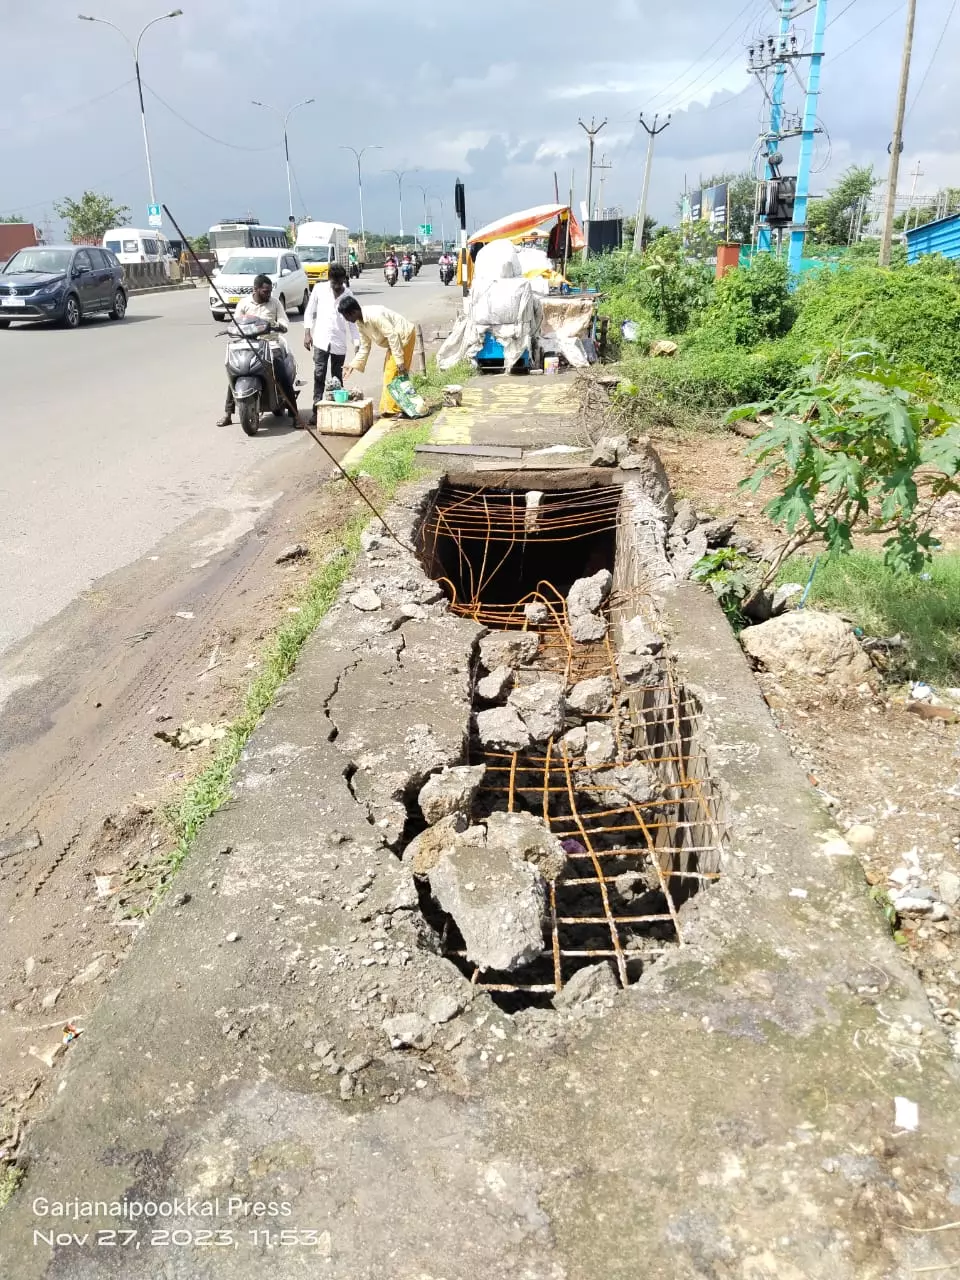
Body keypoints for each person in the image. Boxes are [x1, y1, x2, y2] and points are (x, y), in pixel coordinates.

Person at [216, 274, 298, 427]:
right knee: (235, 372)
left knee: (282, 376)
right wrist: (231, 329)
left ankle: (295, 415)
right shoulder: (244, 304)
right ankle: (228, 413)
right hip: (248, 345)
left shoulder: (275, 303)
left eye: (269, 291)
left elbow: (283, 320)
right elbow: (235, 322)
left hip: (270, 344)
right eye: (265, 291)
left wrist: (280, 325)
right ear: (255, 289)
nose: (268, 294)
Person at [339, 297, 417, 417]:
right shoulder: (360, 323)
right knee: (389, 371)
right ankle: (395, 407)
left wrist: (400, 361)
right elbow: (365, 346)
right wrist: (352, 365)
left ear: (353, 312)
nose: (347, 320)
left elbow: (392, 335)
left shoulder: (374, 315)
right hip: (395, 341)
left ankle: (393, 410)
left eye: (346, 317)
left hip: (404, 336)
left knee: (392, 372)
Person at [302, 263, 358, 424]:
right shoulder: (319, 289)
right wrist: (307, 333)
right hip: (320, 339)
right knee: (319, 375)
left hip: (339, 342)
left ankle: (335, 411)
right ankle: (316, 410)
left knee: (337, 379)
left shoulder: (348, 293)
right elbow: (309, 311)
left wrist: (356, 342)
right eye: (335, 283)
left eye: (340, 283)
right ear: (329, 279)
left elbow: (352, 322)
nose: (338, 287)